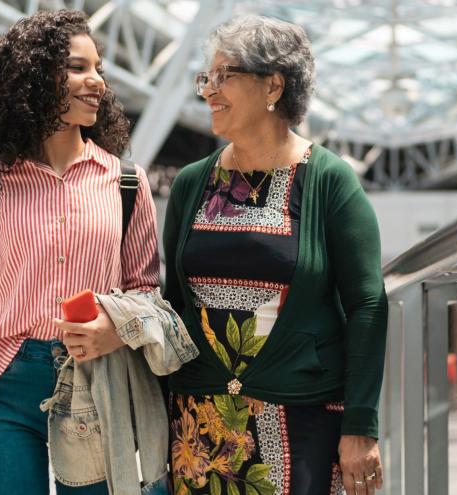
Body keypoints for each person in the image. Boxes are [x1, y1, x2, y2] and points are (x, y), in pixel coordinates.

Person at [0, 10, 159, 495]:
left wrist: (114, 331)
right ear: (33, 76)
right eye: (77, 67)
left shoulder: (127, 184)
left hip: (94, 383)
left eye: (99, 69)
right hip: (2, 384)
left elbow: (145, 293)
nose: (96, 83)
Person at [161, 14, 389, 495]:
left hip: (301, 419)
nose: (208, 91)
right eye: (208, 77)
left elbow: (367, 303)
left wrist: (361, 426)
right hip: (196, 429)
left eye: (226, 76)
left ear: (273, 86)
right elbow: (176, 304)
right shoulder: (190, 184)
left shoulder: (329, 181)